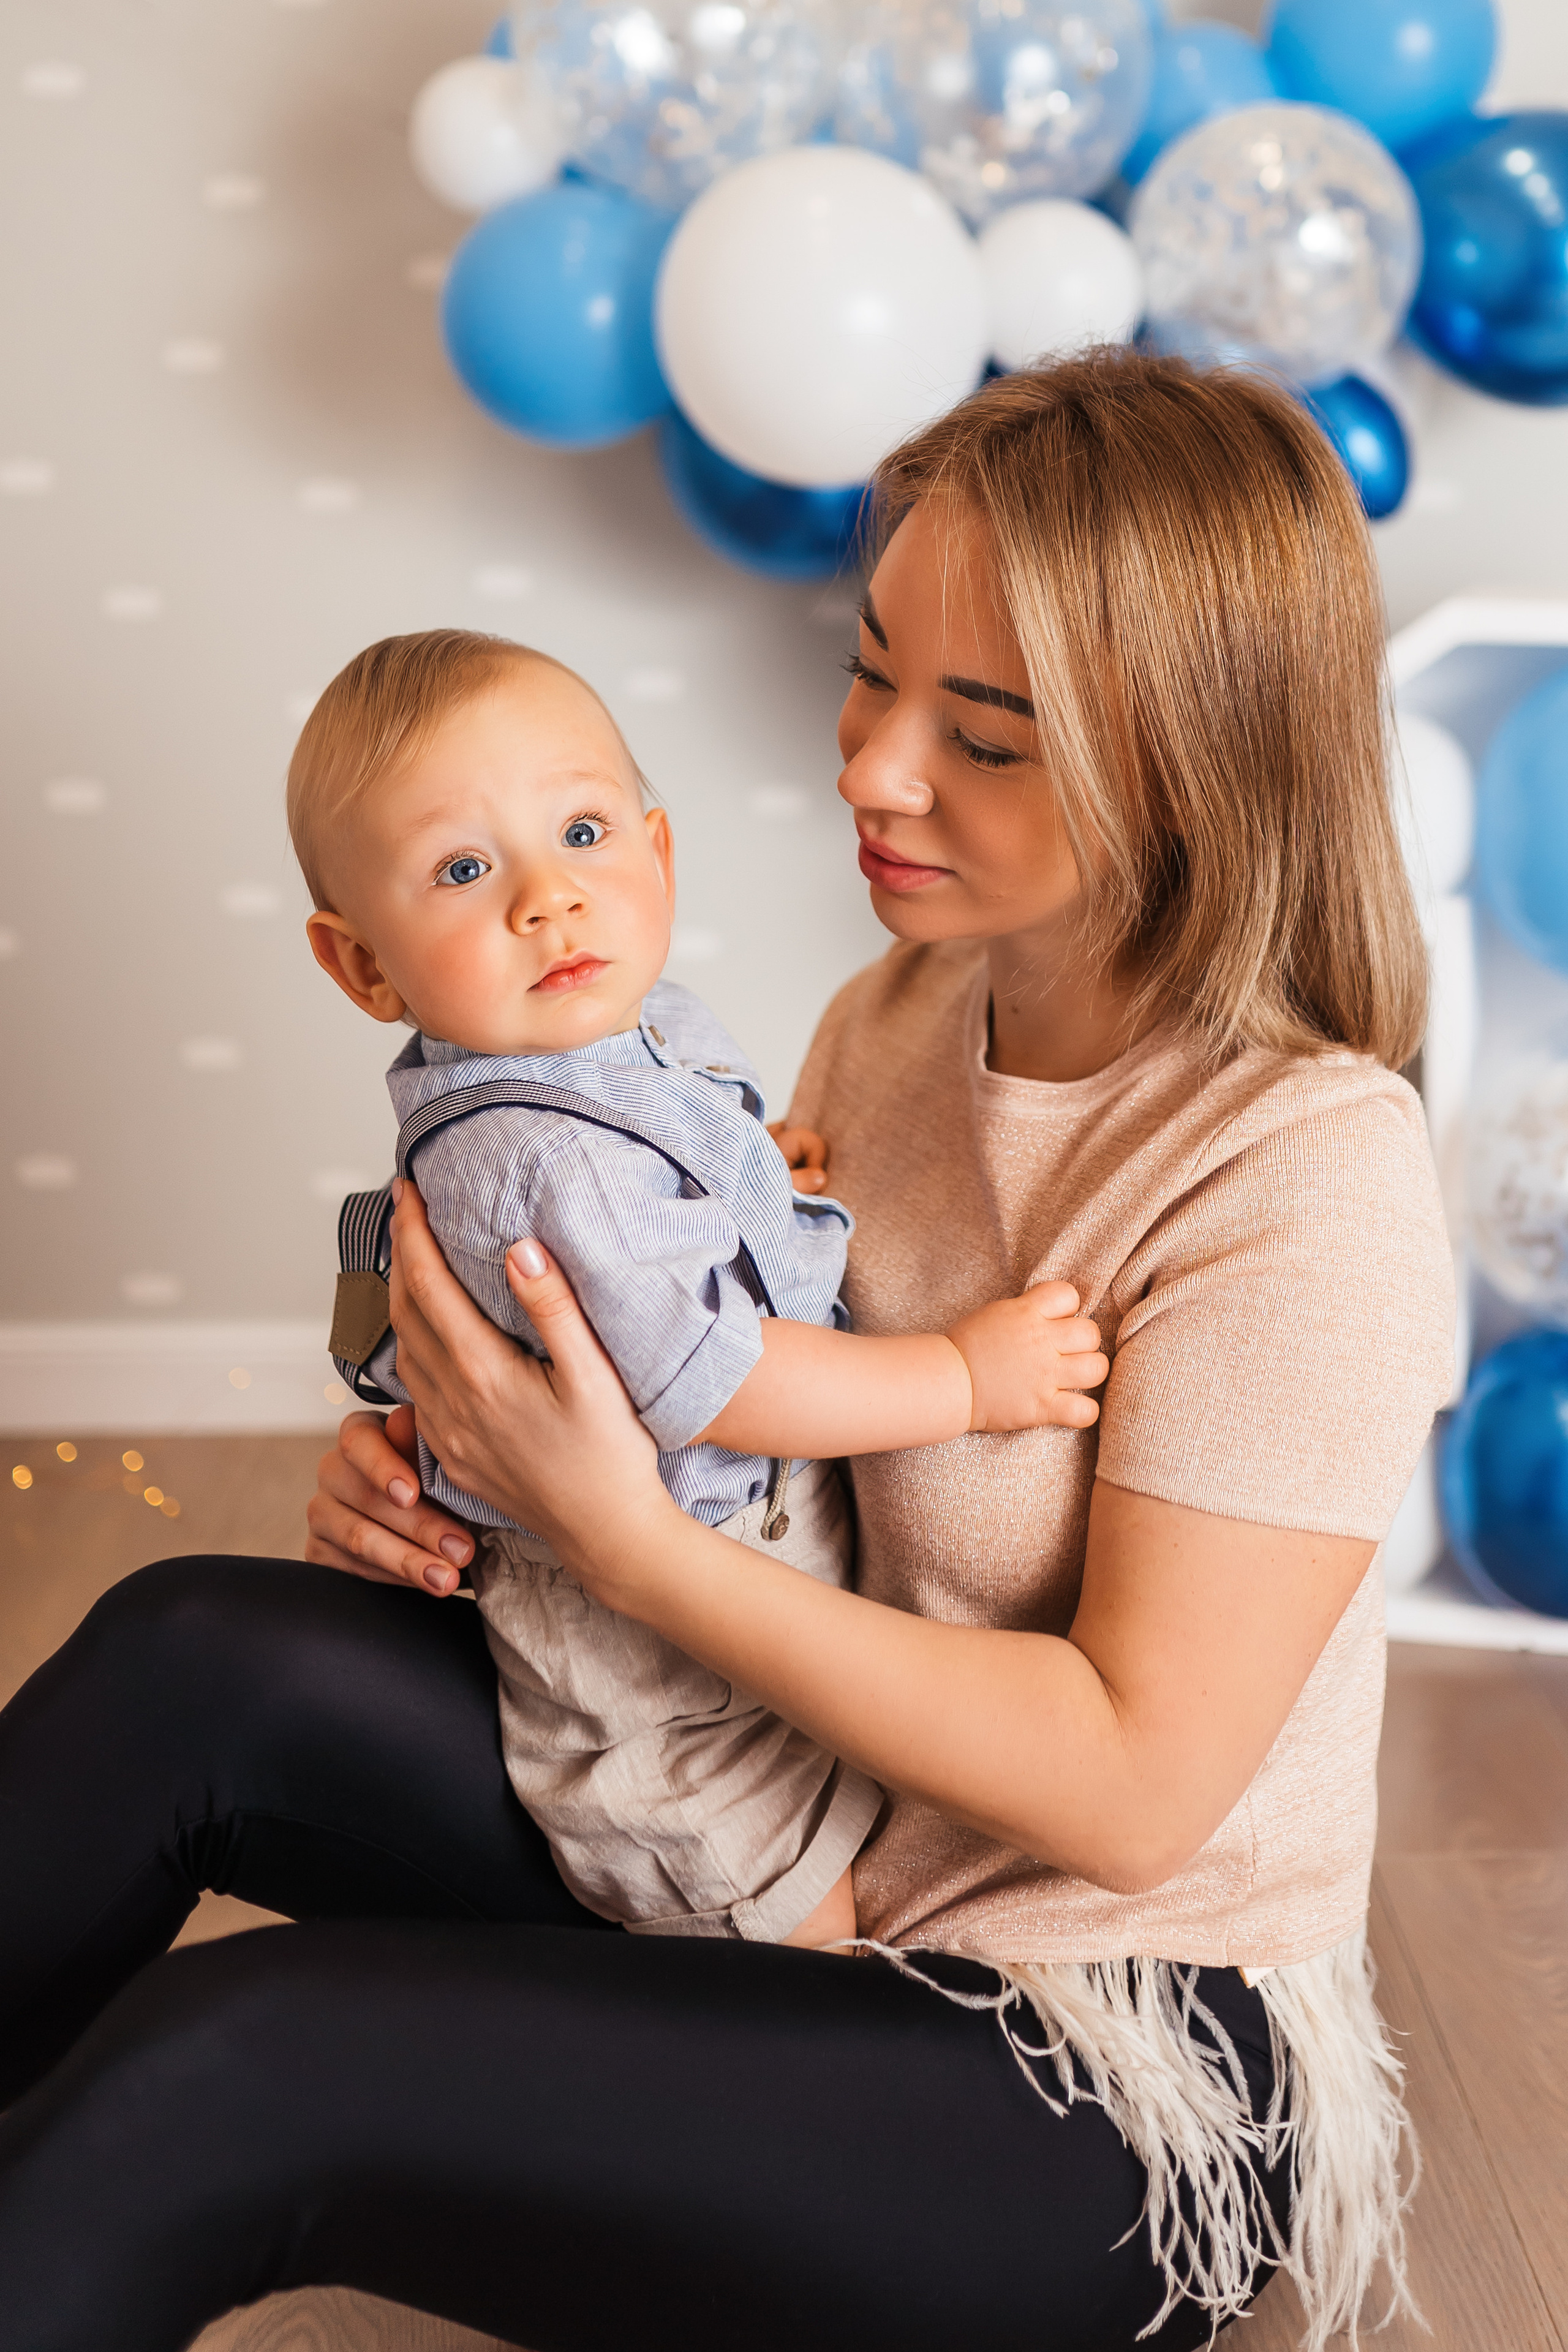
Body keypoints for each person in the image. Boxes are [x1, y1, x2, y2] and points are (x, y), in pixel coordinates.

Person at [0, 349, 1453, 2352]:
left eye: (984, 736)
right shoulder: (904, 1014)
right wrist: (453, 1456)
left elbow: (1133, 1793)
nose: (870, 767)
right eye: (875, 672)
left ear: (1183, 762)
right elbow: (714, 1385)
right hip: (814, 1836)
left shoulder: (1307, 1176)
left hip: (1094, 2070)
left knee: (238, 2063)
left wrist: (617, 1534)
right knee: (188, 1657)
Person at [287, 629, 1106, 1949]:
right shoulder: (541, 1154)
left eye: (583, 832)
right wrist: (963, 1376)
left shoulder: (627, 1032)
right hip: (663, 1695)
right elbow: (721, 1379)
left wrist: (741, 1184)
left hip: (742, 1604)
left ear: (657, 853)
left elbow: (655, 1178)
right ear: (363, 966)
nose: (546, 900)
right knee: (791, 1928)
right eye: (460, 868)